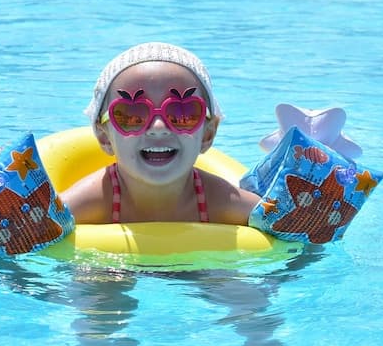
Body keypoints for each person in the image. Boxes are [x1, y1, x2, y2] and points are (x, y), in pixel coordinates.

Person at [61, 42, 261, 225]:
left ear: (208, 135)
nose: (158, 127)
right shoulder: (93, 201)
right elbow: (44, 227)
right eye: (132, 114)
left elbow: (277, 225)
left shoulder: (221, 201)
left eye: (183, 113)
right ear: (104, 137)